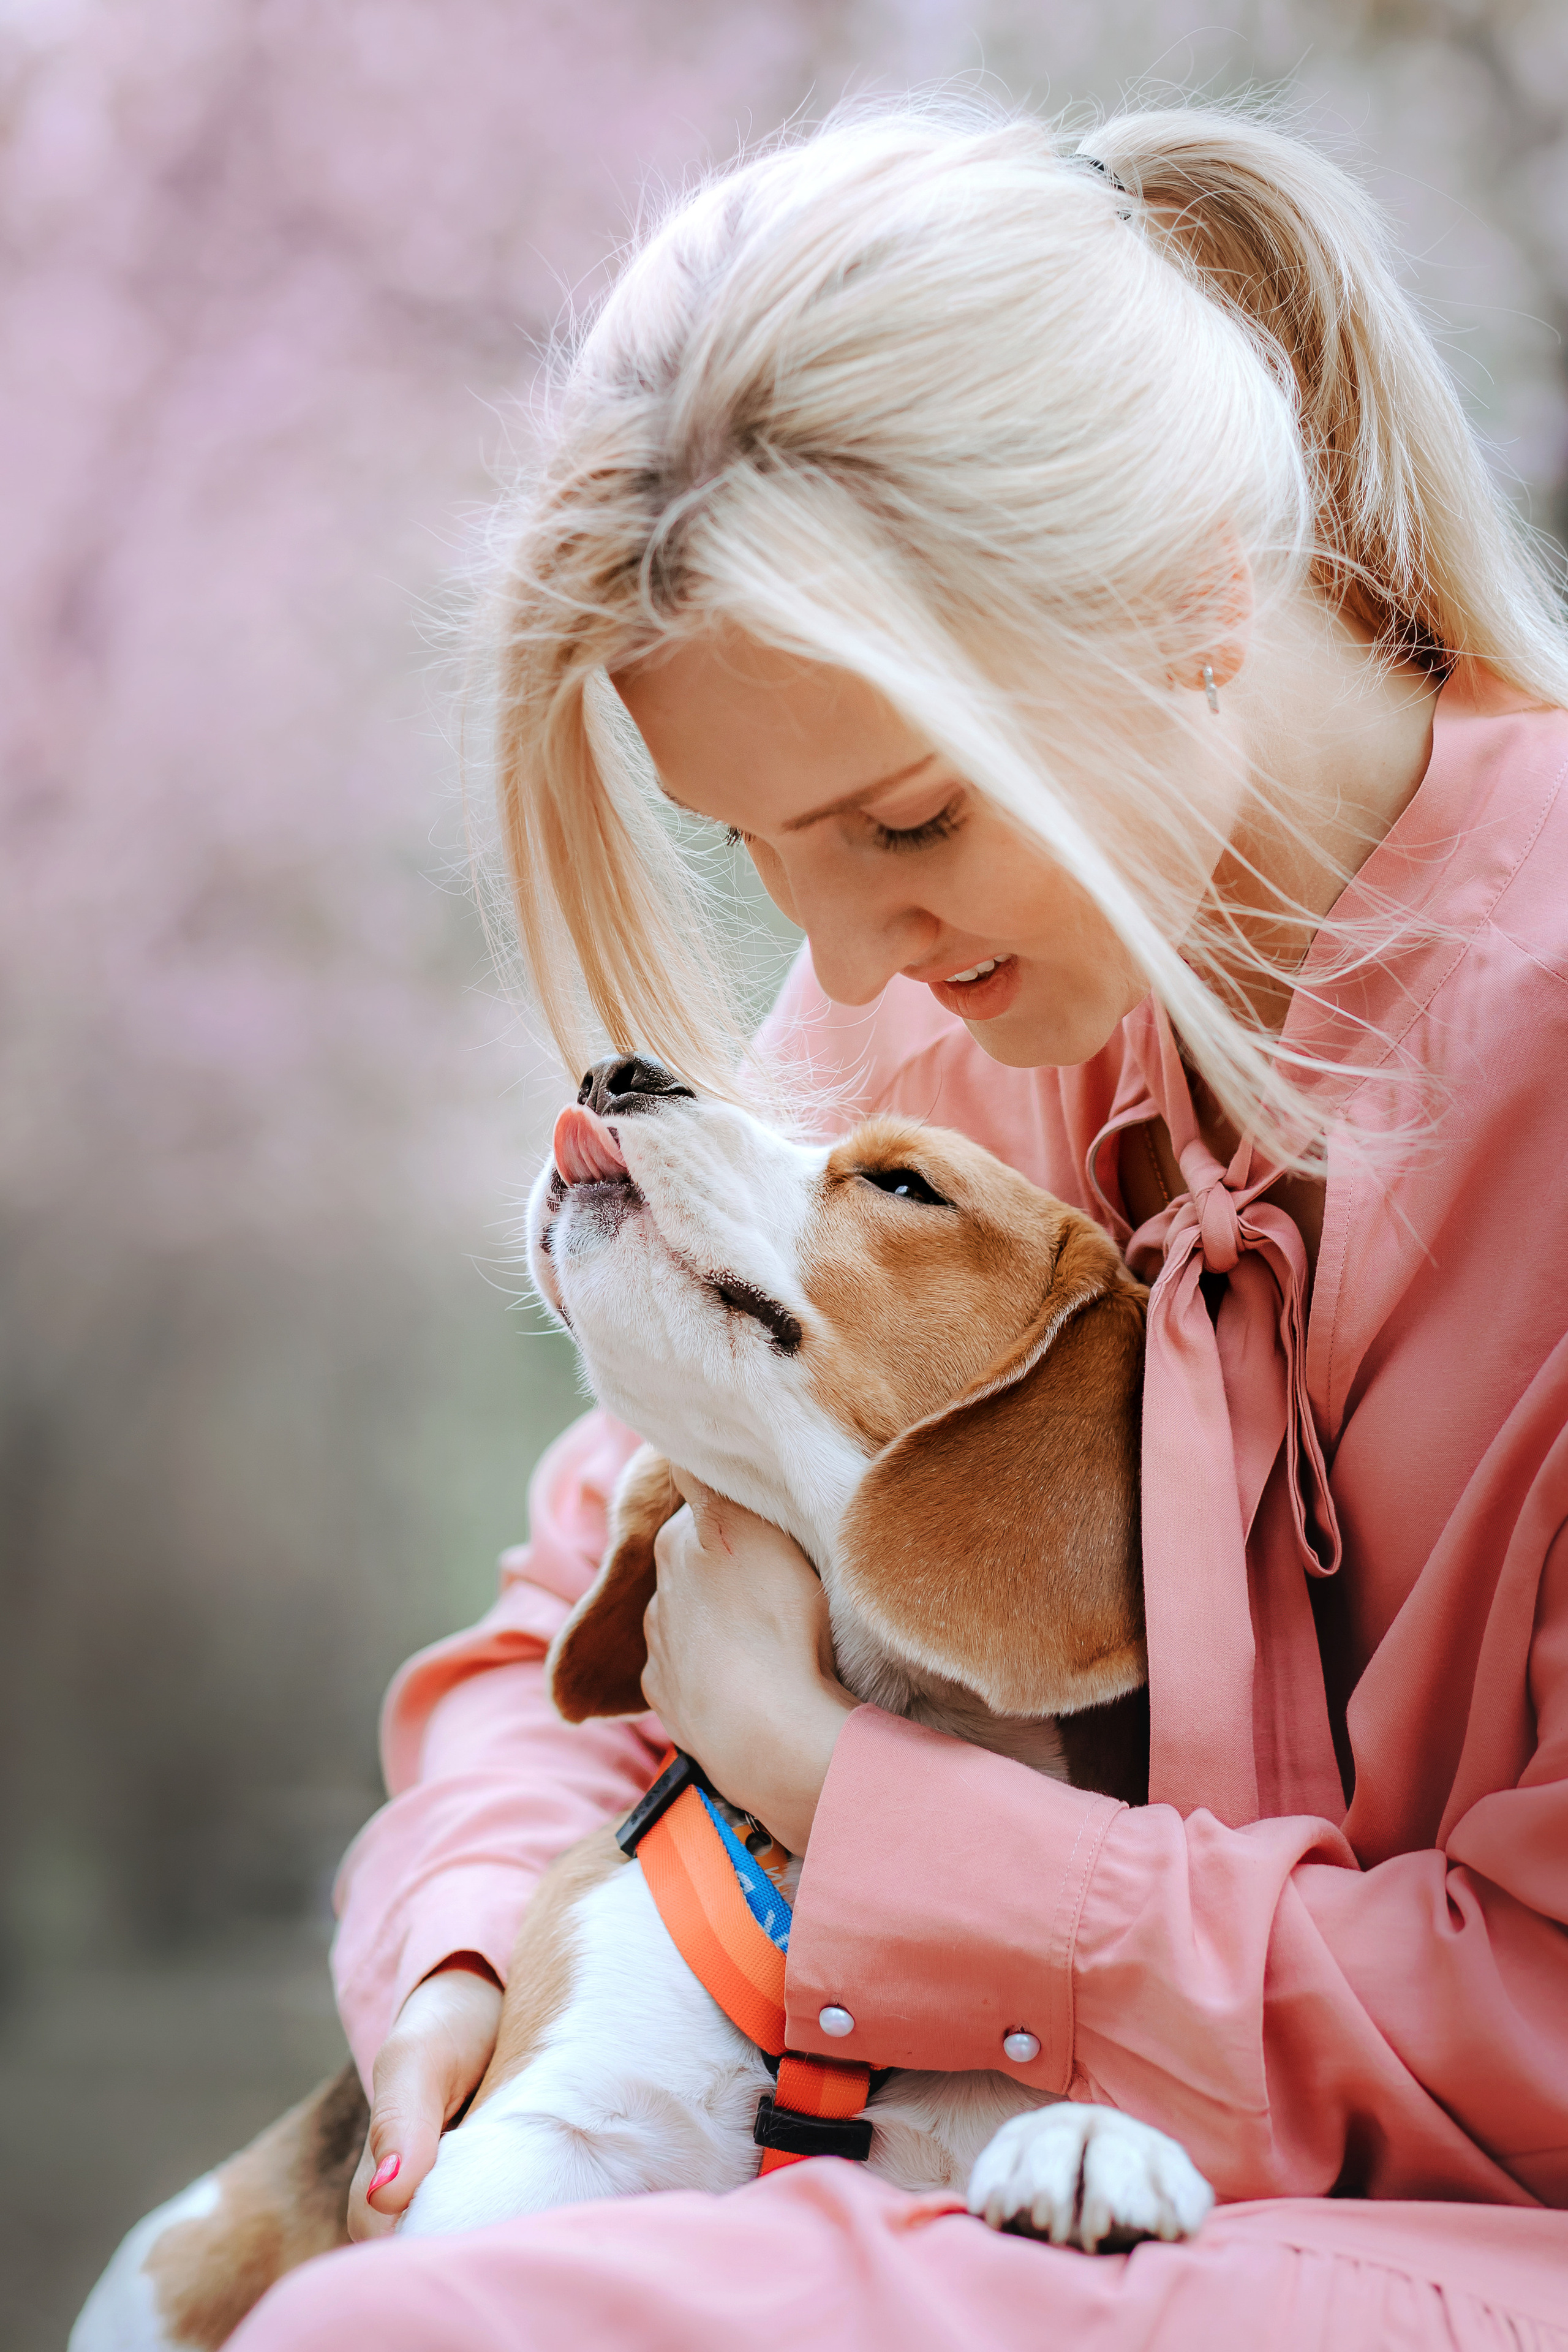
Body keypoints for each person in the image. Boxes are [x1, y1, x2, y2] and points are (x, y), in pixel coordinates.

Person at [231, 97, 1568, 2350]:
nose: (840, 977)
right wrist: (464, 1951)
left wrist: (843, 1797)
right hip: (965, 2155)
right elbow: (575, 1608)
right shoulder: (968, 998)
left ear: (1192, 608)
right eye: (764, 855)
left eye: (909, 820)